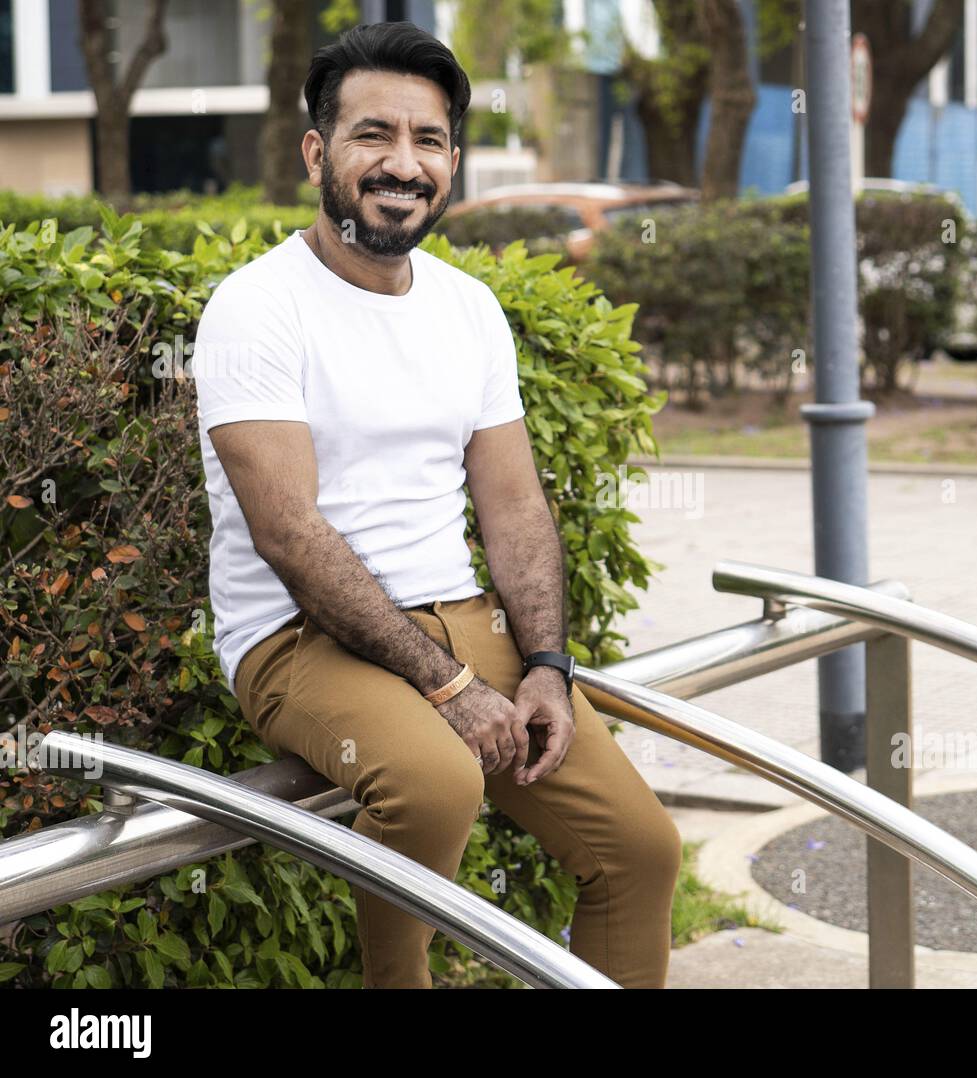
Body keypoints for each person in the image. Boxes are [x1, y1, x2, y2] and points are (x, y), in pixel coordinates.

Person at [192, 21, 681, 989]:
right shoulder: (257, 307)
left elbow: (514, 506)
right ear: (317, 152)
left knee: (639, 848)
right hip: (297, 638)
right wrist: (448, 688)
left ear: (452, 162)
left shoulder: (466, 307)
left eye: (428, 141)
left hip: (467, 623)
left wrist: (544, 662)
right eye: (373, 135)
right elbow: (288, 533)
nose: (402, 164)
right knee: (433, 781)